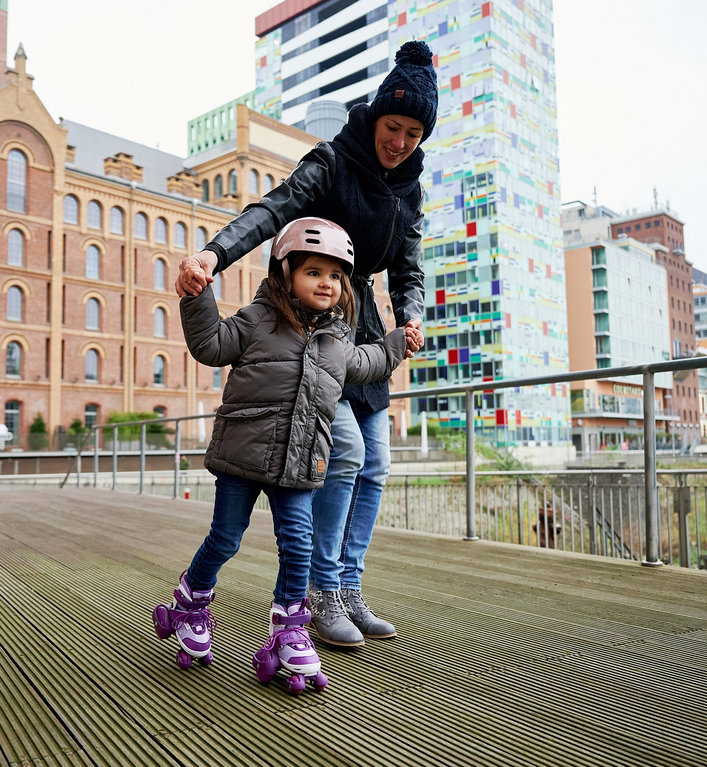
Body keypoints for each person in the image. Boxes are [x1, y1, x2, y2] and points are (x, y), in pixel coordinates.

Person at [177, 40, 438, 647]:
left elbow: (409, 268)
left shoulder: (410, 189)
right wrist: (214, 255)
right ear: (376, 118)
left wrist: (411, 318)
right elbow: (272, 211)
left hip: (361, 328)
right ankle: (320, 592)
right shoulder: (333, 161)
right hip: (307, 325)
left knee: (375, 464)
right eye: (393, 127)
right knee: (343, 452)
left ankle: (348, 587)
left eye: (413, 133)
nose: (400, 142)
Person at [153, 217, 417, 694]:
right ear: (285, 272)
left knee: (297, 544)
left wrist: (398, 344)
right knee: (225, 538)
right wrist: (196, 295)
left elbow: (367, 363)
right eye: (313, 272)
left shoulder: (339, 340)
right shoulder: (258, 319)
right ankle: (191, 601)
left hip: (299, 461)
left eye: (335, 275)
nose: (327, 283)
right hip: (242, 456)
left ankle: (290, 629)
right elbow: (210, 344)